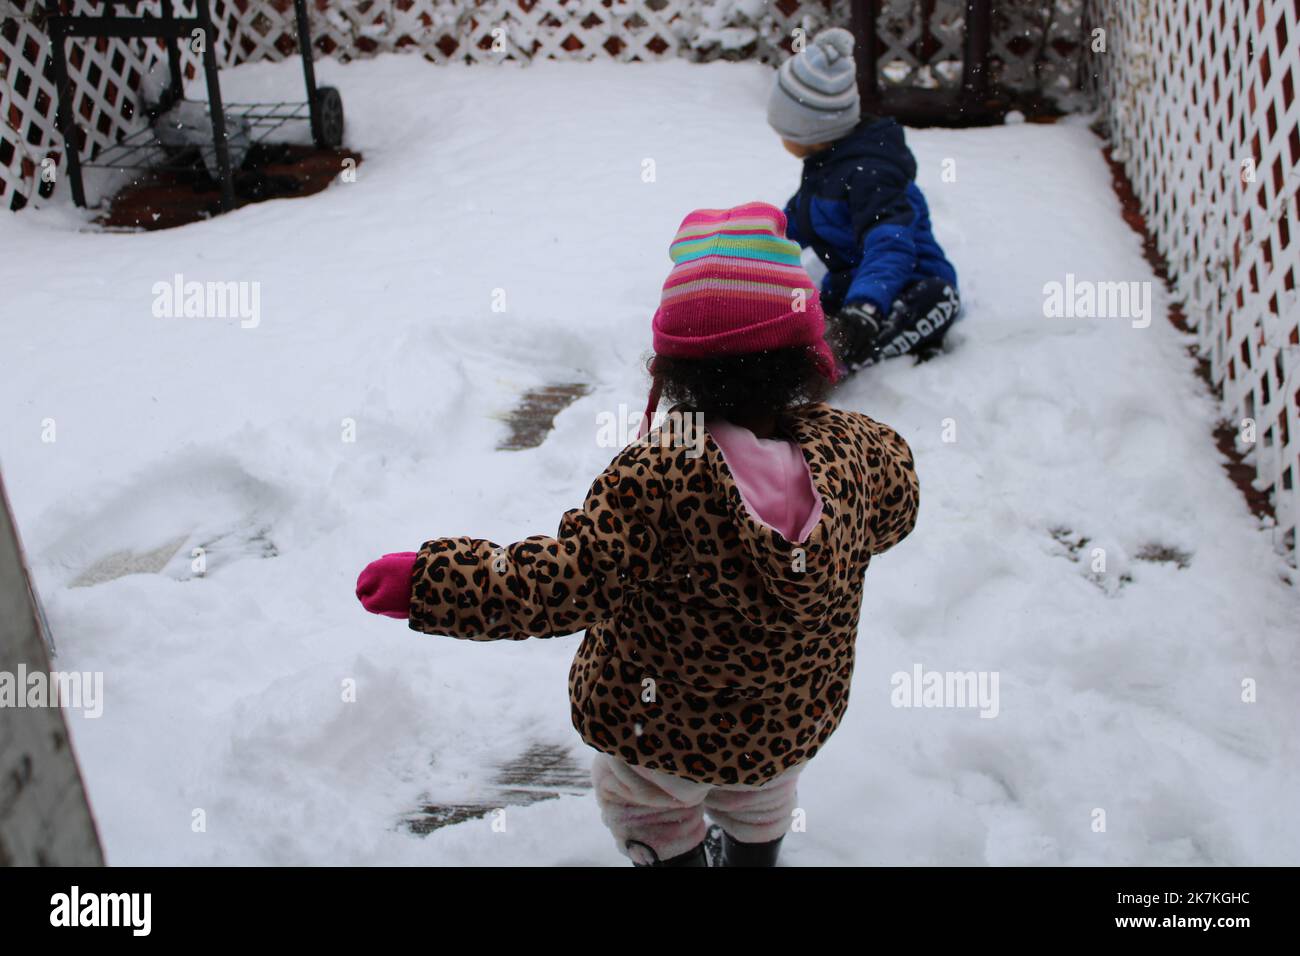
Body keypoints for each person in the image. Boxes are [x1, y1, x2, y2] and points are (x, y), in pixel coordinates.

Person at [355, 202, 919, 866]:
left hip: (662, 733)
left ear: (677, 369)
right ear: (805, 354)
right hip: (785, 723)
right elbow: (895, 516)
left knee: (646, 804)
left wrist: (430, 583)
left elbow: (565, 580)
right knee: (762, 796)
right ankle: (754, 853)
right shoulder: (863, 451)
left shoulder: (661, 472)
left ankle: (673, 855)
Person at [768, 27, 960, 373]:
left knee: (932, 300)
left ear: (811, 132)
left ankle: (836, 362)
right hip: (852, 286)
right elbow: (792, 224)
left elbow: (892, 246)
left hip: (908, 286)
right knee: (799, 319)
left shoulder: (871, 175)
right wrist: (747, 249)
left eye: (784, 130)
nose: (780, 137)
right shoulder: (824, 165)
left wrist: (866, 305)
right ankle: (817, 352)